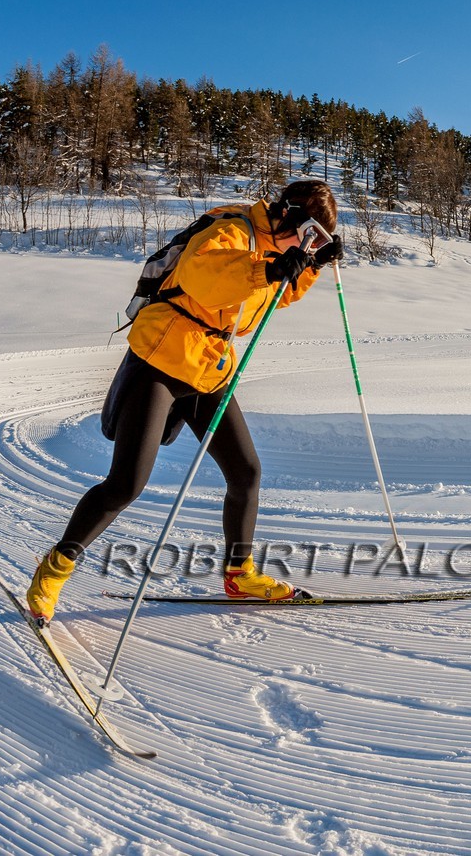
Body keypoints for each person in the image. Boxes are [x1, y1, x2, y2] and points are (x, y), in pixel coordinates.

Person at [26, 179, 344, 623]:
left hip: (209, 365)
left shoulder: (277, 246)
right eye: (310, 232)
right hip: (163, 355)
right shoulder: (233, 231)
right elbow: (208, 279)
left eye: (320, 240)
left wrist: (309, 267)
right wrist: (269, 270)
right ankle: (54, 570)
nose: (308, 242)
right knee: (126, 484)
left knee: (245, 471)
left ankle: (239, 574)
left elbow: (274, 295)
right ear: (288, 213)